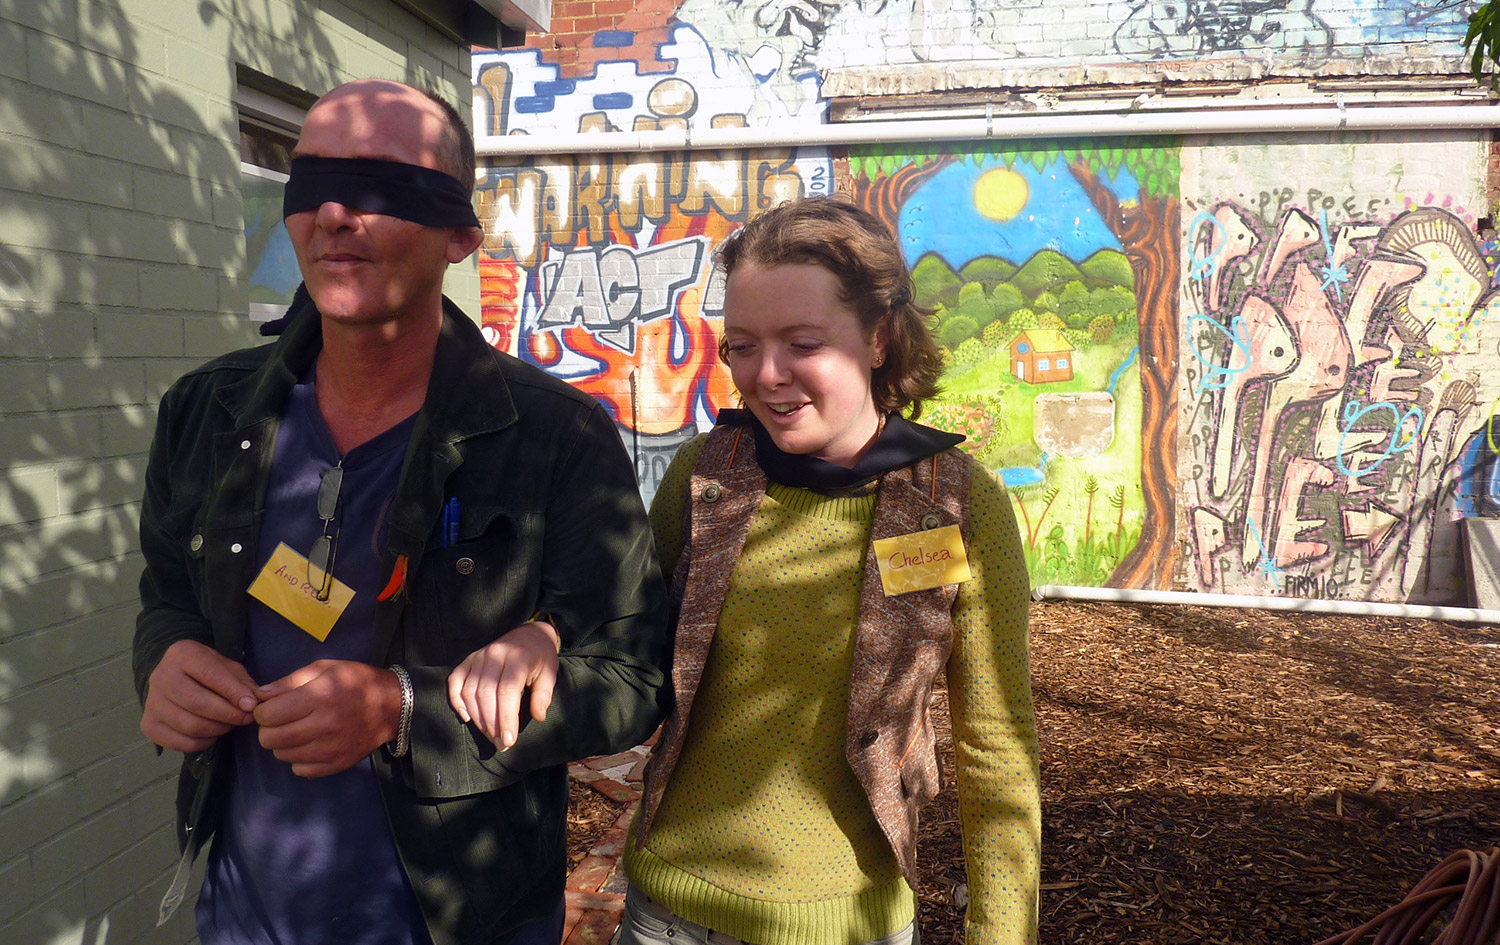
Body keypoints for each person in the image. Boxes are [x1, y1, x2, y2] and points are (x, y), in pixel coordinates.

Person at [132, 78, 670, 945]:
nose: (336, 211)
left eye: (381, 184)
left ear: (459, 233)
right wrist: (165, 655)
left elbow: (632, 676)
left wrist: (402, 709)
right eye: (309, 180)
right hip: (246, 916)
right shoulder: (206, 412)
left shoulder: (550, 436)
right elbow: (168, 594)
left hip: (459, 918)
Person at [616, 198, 1040, 945]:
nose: (766, 374)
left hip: (853, 923)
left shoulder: (955, 506)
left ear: (879, 337)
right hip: (671, 914)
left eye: (801, 342)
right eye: (741, 345)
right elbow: (620, 651)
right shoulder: (708, 477)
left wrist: (1000, 931)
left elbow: (995, 745)